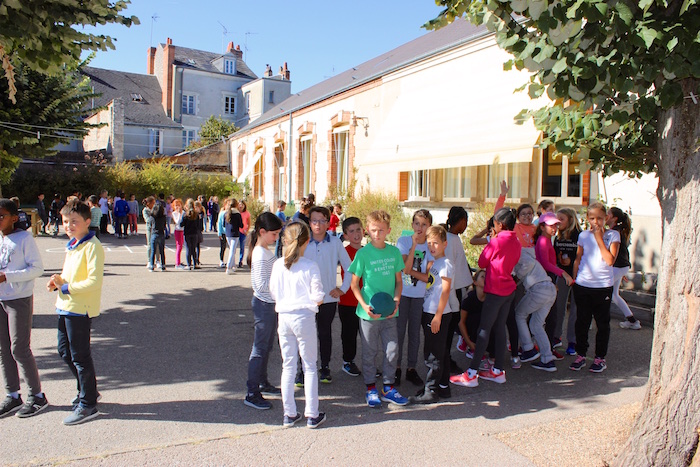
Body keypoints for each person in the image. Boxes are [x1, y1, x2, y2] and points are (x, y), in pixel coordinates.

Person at [47, 199, 104, 425]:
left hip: (80, 309)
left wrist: (66, 287)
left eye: (74, 222)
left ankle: (89, 403)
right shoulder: (73, 244)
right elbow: (68, 275)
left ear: (87, 222)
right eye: (65, 221)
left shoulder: (92, 246)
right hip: (65, 306)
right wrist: (57, 282)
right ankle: (87, 391)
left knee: (80, 356)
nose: (69, 226)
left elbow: (93, 281)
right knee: (65, 352)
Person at [450, 207, 521, 387]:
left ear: (500, 224)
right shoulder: (516, 241)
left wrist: (492, 243)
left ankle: (472, 373)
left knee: (484, 330)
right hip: (509, 290)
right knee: (499, 328)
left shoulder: (497, 242)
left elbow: (482, 262)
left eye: (495, 223)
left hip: (496, 290)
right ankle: (497, 371)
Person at [268, 222, 327, 429]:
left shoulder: (278, 265)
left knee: (288, 366)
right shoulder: (310, 266)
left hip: (283, 316)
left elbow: (273, 292)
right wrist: (313, 303)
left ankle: (289, 413)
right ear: (307, 242)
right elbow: (318, 296)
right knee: (310, 366)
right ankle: (312, 413)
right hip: (303, 317)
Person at [349, 210, 410, 408]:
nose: (377, 234)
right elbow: (354, 284)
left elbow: (399, 282)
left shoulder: (393, 253)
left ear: (388, 231)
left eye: (381, 230)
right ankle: (370, 388)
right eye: (374, 230)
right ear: (368, 230)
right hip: (368, 314)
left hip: (390, 312)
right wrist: (364, 305)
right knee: (369, 352)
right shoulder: (363, 254)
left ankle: (388, 388)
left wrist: (397, 300)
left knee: (392, 351)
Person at [0, 198, 47, 418]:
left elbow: (37, 269)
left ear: (13, 217)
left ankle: (37, 396)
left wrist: (6, 276)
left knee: (19, 348)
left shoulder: (24, 238)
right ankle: (12, 395)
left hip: (19, 298)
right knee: (4, 349)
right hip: (1, 300)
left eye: (1, 216)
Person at [298, 206, 352, 385]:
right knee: (305, 335)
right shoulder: (303, 242)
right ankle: (303, 369)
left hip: (328, 298)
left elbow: (350, 267)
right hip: (305, 299)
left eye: (322, 220)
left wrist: (342, 289)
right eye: (314, 220)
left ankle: (325, 367)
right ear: (309, 222)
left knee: (324, 333)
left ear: (328, 222)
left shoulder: (335, 242)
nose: (318, 224)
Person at [404, 225, 454, 403]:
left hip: (436, 314)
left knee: (432, 354)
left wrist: (438, 316)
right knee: (440, 352)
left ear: (445, 244)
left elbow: (445, 291)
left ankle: (431, 391)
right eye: (430, 243)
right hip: (430, 311)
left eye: (436, 243)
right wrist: (412, 262)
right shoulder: (436, 263)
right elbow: (423, 277)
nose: (432, 247)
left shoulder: (445, 264)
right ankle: (442, 387)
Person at [570, 202, 620, 373]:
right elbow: (578, 258)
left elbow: (610, 260)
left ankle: (600, 358)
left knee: (602, 324)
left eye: (599, 218)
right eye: (592, 218)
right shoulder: (583, 235)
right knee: (582, 322)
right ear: (587, 219)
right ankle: (581, 355)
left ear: (606, 218)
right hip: (583, 285)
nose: (596, 222)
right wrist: (574, 278)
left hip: (603, 286)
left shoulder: (613, 236)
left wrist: (599, 239)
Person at [244, 212, 284, 410]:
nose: (276, 238)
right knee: (259, 349)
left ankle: (262, 382)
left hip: (269, 305)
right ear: (262, 232)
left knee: (266, 347)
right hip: (265, 305)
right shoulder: (260, 254)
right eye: (274, 234)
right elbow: (261, 285)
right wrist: (280, 293)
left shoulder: (264, 250)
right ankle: (252, 392)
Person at [395, 209, 433, 387]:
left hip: (419, 296)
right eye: (417, 223)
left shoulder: (431, 246)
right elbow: (404, 267)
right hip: (402, 294)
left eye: (424, 224)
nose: (420, 227)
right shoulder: (403, 241)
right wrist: (414, 246)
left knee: (414, 335)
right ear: (412, 225)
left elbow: (429, 275)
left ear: (429, 227)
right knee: (399, 332)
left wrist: (414, 272)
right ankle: (396, 368)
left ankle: (411, 368)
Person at [513, 248, 563, 372]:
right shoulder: (526, 252)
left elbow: (527, 265)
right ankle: (547, 359)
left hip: (538, 289)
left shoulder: (518, 252)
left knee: (519, 314)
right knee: (536, 325)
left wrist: (516, 277)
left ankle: (528, 349)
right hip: (549, 289)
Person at [534, 211, 574, 359]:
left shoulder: (547, 240)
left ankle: (547, 348)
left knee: (550, 317)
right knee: (548, 317)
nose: (555, 228)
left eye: (556, 225)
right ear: (543, 226)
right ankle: (544, 349)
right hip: (545, 280)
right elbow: (545, 264)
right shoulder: (544, 241)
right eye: (551, 225)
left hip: (547, 279)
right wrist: (562, 273)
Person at [444, 206, 474, 375]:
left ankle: (446, 357)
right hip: (451, 291)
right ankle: (445, 358)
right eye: (465, 222)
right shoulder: (450, 240)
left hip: (454, 289)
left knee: (450, 326)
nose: (466, 226)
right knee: (449, 326)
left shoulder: (452, 238)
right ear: (461, 221)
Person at [337, 217, 364, 378]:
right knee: (349, 334)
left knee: (368, 336)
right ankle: (348, 361)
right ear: (345, 235)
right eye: (351, 231)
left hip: (365, 300)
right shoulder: (345, 252)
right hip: (348, 301)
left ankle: (369, 364)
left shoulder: (368, 250)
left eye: (358, 230)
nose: (356, 234)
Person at [553, 208, 582, 355]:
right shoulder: (558, 237)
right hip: (562, 275)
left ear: (570, 220)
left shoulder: (580, 235)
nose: (558, 222)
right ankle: (556, 337)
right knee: (559, 307)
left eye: (561, 219)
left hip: (578, 277)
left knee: (575, 311)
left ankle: (573, 341)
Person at [607, 207, 641, 330]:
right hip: (621, 266)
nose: (605, 215)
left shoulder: (614, 232)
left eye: (608, 214)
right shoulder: (618, 231)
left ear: (614, 218)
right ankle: (632, 320)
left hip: (618, 266)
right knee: (614, 295)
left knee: (602, 291)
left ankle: (591, 320)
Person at [180, 199, 200, 270]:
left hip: (187, 233)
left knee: (188, 249)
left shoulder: (185, 214)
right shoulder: (196, 214)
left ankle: (189, 264)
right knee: (193, 249)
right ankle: (195, 264)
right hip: (194, 233)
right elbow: (198, 225)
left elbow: (181, 224)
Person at [225, 199, 243, 275]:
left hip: (228, 234)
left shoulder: (226, 213)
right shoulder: (237, 214)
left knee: (232, 250)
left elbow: (223, 224)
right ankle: (228, 267)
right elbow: (241, 225)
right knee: (232, 251)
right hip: (235, 234)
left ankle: (232, 266)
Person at [149, 197, 167, 271]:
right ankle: (163, 265)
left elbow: (150, 224)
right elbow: (164, 225)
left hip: (154, 233)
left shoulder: (152, 216)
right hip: (161, 234)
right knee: (162, 251)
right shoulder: (163, 217)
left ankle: (151, 266)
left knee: (153, 251)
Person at [171, 199, 186, 269]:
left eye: (179, 205)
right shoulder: (174, 213)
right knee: (179, 247)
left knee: (181, 246)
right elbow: (177, 221)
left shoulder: (183, 212)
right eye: (176, 205)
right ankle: (177, 263)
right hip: (177, 230)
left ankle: (179, 262)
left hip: (183, 230)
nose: (177, 207)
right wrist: (179, 214)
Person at [217, 199, 231, 268]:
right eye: (227, 204)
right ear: (225, 205)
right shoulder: (222, 213)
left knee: (231, 247)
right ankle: (221, 260)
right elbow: (219, 223)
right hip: (223, 232)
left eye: (230, 205)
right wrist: (219, 233)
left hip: (229, 232)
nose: (229, 206)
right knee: (223, 247)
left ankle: (230, 261)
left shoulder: (231, 213)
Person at [142, 197, 155, 269]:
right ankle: (149, 261)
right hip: (149, 229)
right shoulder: (145, 210)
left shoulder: (155, 209)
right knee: (150, 244)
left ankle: (157, 260)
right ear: (148, 203)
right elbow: (147, 219)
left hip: (155, 229)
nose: (154, 204)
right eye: (153, 203)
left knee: (157, 245)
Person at [238, 201, 251, 269]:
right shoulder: (236, 212)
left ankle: (240, 261)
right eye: (239, 205)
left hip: (243, 232)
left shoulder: (247, 213)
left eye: (242, 205)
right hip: (236, 232)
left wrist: (247, 230)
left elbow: (249, 223)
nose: (240, 206)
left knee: (242, 247)